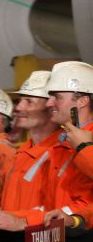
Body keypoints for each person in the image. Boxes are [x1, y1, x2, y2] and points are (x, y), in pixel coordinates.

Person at [0, 71, 61, 230]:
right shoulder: (20, 152)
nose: (19, 107)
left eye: (29, 101)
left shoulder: (63, 151)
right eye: (20, 101)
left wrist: (21, 221)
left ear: (51, 107)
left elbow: (63, 209)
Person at [40, 62, 93, 230]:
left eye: (57, 97)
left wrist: (84, 147)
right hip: (60, 239)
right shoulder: (60, 142)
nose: (48, 103)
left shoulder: (79, 143)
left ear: (83, 101)